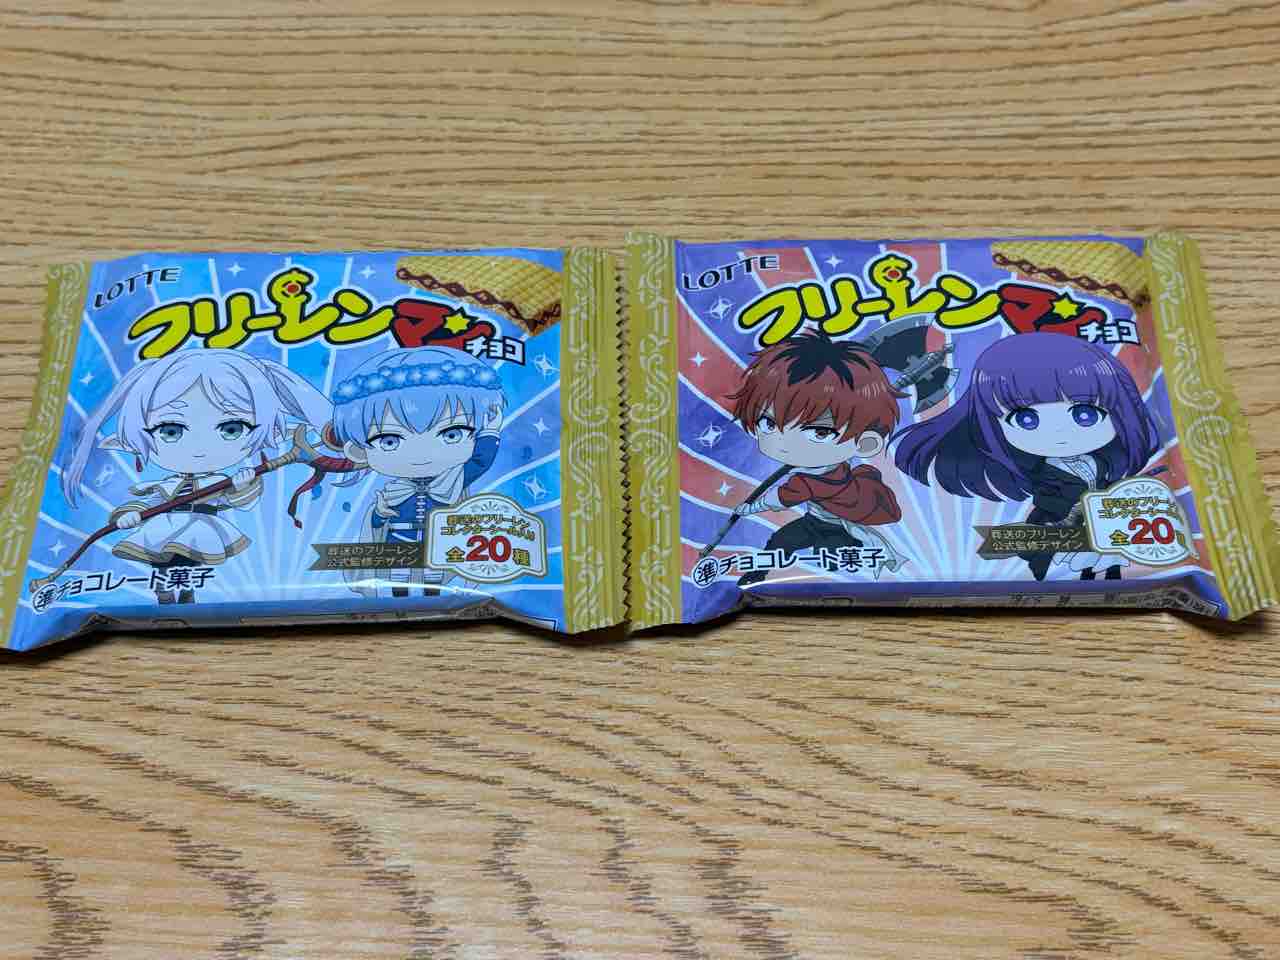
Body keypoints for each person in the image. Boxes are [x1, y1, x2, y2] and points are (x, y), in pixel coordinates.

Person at [62, 349, 330, 603]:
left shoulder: (217, 483)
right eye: (170, 431)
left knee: (188, 561)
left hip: (200, 526)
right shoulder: (167, 484)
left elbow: (240, 503)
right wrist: (128, 515)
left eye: (232, 429)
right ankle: (165, 593)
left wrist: (242, 486)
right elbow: (149, 503)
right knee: (161, 561)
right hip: (163, 525)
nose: (200, 447)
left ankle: (187, 594)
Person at [894, 332, 1161, 580]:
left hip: (1103, 529)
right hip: (1057, 530)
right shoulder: (1040, 471)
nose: (1059, 432)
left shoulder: (1102, 462)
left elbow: (1106, 486)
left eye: (1085, 414)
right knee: (1079, 565)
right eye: (1026, 419)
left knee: (1109, 564)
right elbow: (1051, 499)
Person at [728, 332, 906, 586]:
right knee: (780, 542)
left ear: (866, 443)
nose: (784, 441)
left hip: (838, 528)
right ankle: (754, 578)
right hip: (814, 522)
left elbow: (780, 498)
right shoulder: (818, 470)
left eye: (820, 432)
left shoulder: (813, 480)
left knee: (834, 564)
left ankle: (849, 580)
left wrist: (749, 509)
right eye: (768, 423)